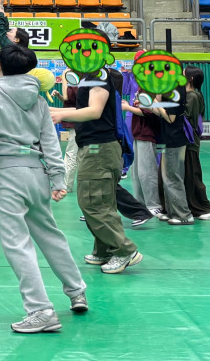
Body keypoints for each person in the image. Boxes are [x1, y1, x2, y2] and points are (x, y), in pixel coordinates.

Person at [0, 43, 87, 333]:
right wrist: (58, 179)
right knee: (50, 235)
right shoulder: (39, 100)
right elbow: (50, 140)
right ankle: (76, 291)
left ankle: (40, 310)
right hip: (37, 175)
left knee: (17, 245)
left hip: (8, 177)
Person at [50, 47, 141, 275]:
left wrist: (61, 115)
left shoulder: (98, 77)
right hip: (98, 147)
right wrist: (51, 109)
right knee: (103, 202)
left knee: (92, 202)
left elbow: (94, 111)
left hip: (98, 149)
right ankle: (105, 249)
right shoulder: (92, 77)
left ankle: (124, 250)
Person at [154, 77, 192, 226]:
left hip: (174, 140)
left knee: (173, 177)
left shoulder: (174, 92)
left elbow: (170, 118)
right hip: (168, 138)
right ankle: (171, 211)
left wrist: (157, 102)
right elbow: (161, 114)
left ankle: (183, 214)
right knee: (167, 176)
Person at [124, 94, 164, 221]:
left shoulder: (150, 88)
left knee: (147, 171)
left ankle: (154, 205)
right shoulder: (141, 87)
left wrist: (128, 108)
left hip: (147, 134)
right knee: (136, 172)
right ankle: (140, 203)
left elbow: (150, 112)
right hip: (138, 133)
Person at [182, 67, 210, 221]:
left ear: (190, 79)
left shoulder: (193, 96)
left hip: (190, 142)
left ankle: (204, 207)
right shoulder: (190, 95)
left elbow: (186, 117)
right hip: (186, 142)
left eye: (183, 73)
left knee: (192, 176)